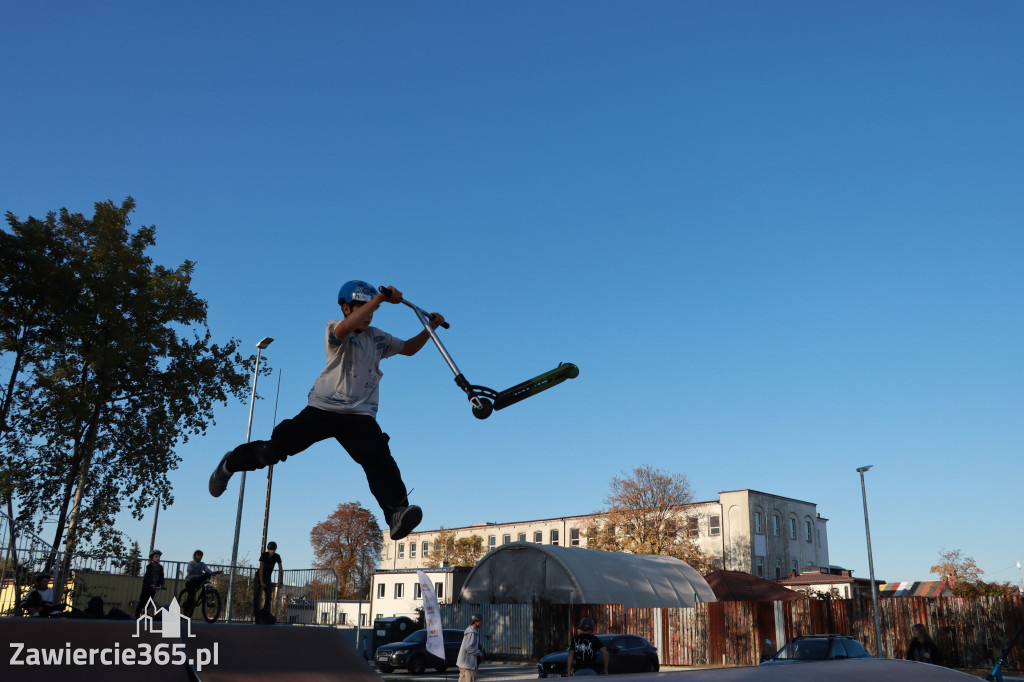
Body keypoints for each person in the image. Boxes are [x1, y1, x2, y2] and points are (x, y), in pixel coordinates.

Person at [208, 281, 445, 542]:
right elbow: (345, 329)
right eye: (363, 309)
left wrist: (430, 327)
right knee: (272, 451)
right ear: (346, 308)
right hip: (324, 408)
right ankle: (229, 464)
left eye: (372, 311)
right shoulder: (335, 327)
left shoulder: (378, 338)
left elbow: (409, 349)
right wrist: (378, 299)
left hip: (359, 415)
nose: (369, 314)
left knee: (377, 456)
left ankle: (396, 513)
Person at [254, 541, 283, 624]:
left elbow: (281, 569)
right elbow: (261, 568)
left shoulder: (277, 556)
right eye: (270, 550)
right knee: (256, 597)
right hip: (259, 576)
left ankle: (264, 614)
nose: (272, 551)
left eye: (273, 550)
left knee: (269, 596)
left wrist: (281, 581)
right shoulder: (264, 555)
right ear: (268, 549)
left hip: (267, 577)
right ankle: (257, 618)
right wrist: (261, 581)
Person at [135, 550, 165, 617]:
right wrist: (150, 584)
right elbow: (147, 576)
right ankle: (137, 614)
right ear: (152, 558)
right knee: (143, 601)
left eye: (159, 557)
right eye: (156, 556)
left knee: (150, 601)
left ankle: (145, 613)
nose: (158, 558)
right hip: (147, 586)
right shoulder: (149, 566)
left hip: (154, 587)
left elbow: (161, 576)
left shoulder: (160, 567)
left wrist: (162, 584)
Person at [456, 612, 484, 682]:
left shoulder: (471, 631)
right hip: (468, 664)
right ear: (475, 622)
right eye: (480, 621)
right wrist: (480, 653)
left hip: (464, 663)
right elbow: (468, 647)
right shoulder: (472, 632)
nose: (482, 622)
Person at [183, 549, 213, 614]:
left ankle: (204, 593)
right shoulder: (191, 563)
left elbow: (207, 570)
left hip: (197, 581)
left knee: (207, 575)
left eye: (201, 556)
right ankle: (185, 613)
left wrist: (213, 573)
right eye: (198, 555)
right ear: (195, 556)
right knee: (191, 595)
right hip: (190, 581)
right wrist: (194, 570)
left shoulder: (202, 564)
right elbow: (189, 569)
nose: (200, 557)